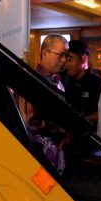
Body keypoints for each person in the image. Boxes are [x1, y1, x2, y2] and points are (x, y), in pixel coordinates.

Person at [19, 34, 68, 174]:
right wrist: (61, 128)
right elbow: (30, 121)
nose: (64, 60)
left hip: (57, 151)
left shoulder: (57, 81)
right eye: (60, 55)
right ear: (45, 53)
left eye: (66, 56)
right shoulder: (33, 80)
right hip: (39, 153)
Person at [64, 40, 101, 126]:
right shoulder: (67, 83)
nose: (67, 64)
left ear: (84, 58)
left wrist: (81, 120)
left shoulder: (97, 83)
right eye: (66, 60)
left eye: (70, 59)